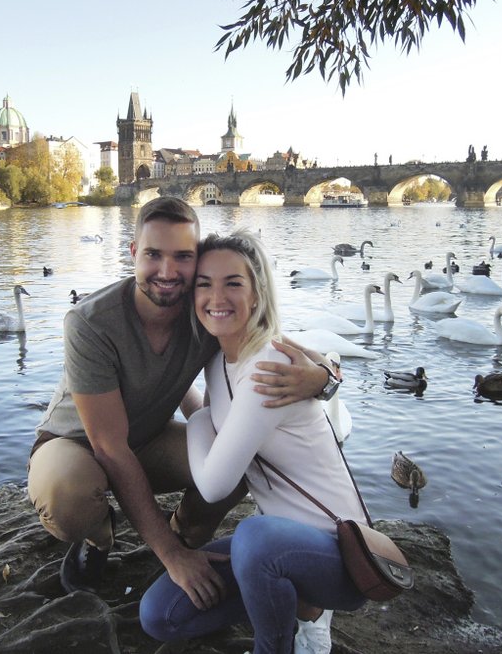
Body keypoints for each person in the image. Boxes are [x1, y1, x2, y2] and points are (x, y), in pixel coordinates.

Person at [27, 197, 335, 599]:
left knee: (245, 459)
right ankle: (98, 539)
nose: (168, 272)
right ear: (134, 252)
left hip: (149, 439)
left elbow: (291, 350)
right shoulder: (91, 323)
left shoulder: (205, 307)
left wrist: (320, 379)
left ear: (197, 260)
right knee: (65, 494)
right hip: (77, 443)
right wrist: (169, 556)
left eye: (183, 257)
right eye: (154, 254)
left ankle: (187, 532)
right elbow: (109, 446)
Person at [140, 229, 367, 654]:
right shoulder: (217, 359)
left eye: (233, 283)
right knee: (160, 615)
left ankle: (302, 628)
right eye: (204, 284)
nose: (216, 296)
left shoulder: (269, 365)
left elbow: (214, 485)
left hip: (337, 554)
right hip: (274, 549)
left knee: (253, 538)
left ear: (258, 293)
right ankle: (280, 598)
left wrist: (201, 420)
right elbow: (220, 434)